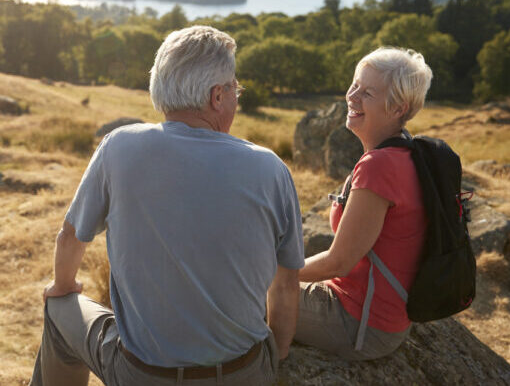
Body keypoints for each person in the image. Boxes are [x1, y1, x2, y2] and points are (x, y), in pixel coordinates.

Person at [30, 25, 304, 386]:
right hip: (246, 372)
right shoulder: (271, 168)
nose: (237, 95)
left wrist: (61, 286)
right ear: (217, 97)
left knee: (60, 306)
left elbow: (70, 237)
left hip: (143, 375)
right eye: (234, 87)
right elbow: (286, 285)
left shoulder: (119, 147)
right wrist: (278, 357)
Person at [295, 47, 433, 360]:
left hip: (359, 323)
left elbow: (337, 263)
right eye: (355, 85)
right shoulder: (406, 154)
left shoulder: (379, 167)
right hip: (374, 313)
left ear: (398, 107)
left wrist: (272, 274)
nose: (352, 97)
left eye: (367, 92)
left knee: (233, 294)